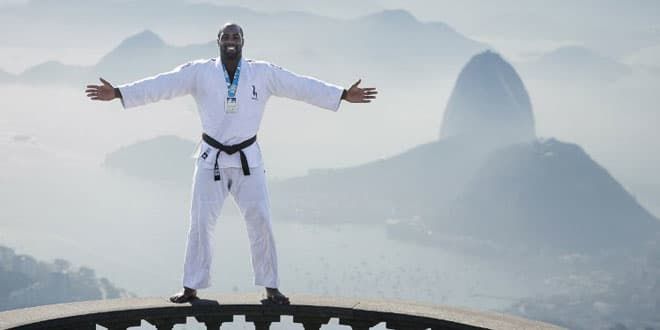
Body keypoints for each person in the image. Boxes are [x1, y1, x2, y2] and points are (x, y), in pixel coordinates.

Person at [85, 23, 377, 305]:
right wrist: (120, 92)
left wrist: (340, 94)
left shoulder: (262, 73)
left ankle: (271, 287)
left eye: (235, 36)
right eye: (226, 36)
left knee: (261, 219)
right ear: (218, 41)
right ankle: (190, 287)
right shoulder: (199, 72)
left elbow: (299, 85)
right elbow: (163, 84)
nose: (231, 40)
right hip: (210, 157)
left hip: (248, 159)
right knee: (200, 223)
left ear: (243, 41)